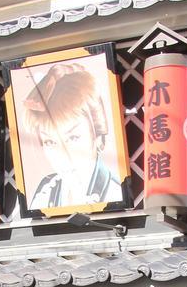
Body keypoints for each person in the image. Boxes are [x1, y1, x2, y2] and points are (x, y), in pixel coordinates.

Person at [21, 61, 124, 210]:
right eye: (50, 142)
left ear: (97, 135)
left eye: (73, 138)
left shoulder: (115, 193)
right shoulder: (45, 192)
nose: (62, 155)